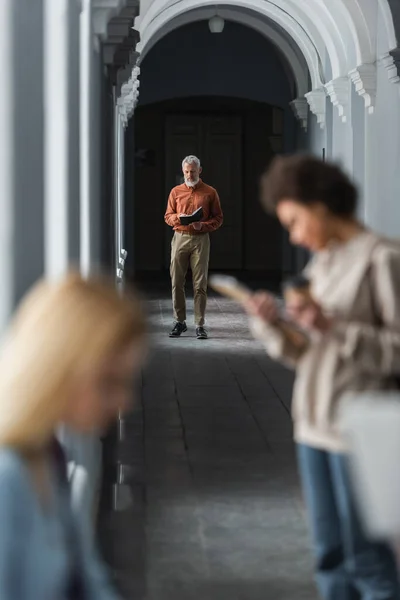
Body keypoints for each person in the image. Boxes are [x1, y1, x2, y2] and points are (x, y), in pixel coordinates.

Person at [242, 154, 400, 600]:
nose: (294, 235)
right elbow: (307, 354)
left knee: (368, 562)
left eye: (294, 221)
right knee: (328, 556)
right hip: (313, 426)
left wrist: (332, 327)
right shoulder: (323, 264)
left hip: (361, 431)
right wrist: (274, 324)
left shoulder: (384, 259)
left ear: (320, 205)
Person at [0, 272, 146, 599]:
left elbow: (88, 578)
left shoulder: (47, 455)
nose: (125, 402)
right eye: (109, 382)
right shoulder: (7, 477)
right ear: (60, 368)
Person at [164, 155, 223, 339]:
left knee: (200, 284)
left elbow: (218, 218)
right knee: (177, 282)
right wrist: (178, 217)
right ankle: (179, 322)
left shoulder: (210, 192)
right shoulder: (175, 192)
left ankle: (199, 324)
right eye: (187, 171)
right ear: (183, 171)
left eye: (193, 171)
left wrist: (203, 225)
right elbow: (167, 216)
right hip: (180, 237)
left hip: (200, 239)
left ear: (200, 171)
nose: (190, 175)